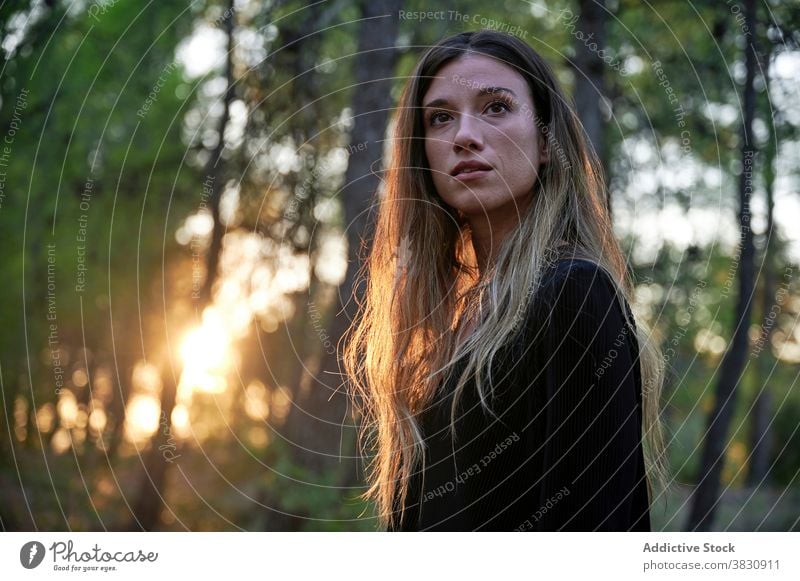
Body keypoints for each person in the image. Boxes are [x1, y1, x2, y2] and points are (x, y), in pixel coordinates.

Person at [343, 29, 667, 531]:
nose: (464, 135)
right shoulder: (443, 327)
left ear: (545, 143)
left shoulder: (574, 292)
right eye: (441, 117)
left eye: (495, 107)